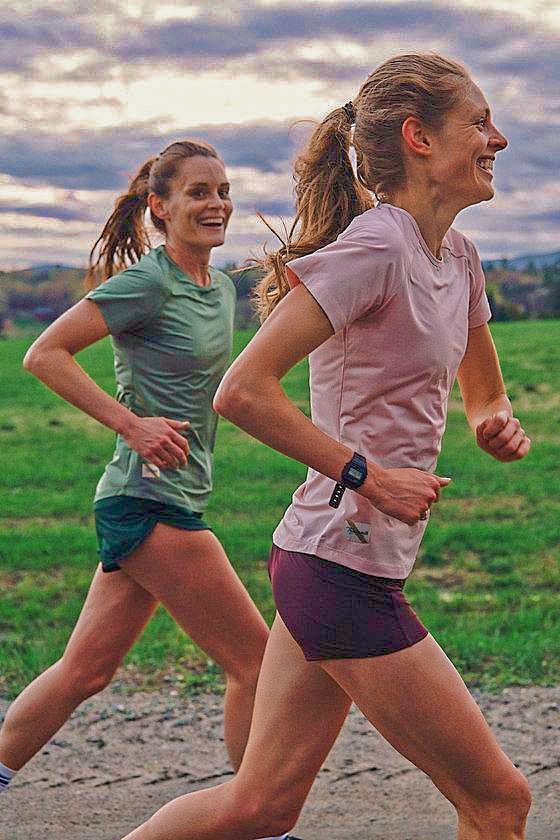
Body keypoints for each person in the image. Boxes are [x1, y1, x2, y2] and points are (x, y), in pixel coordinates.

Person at [119, 54, 533, 840]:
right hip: (338, 568)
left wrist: (492, 424)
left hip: (331, 560)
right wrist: (371, 477)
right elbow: (243, 390)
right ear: (419, 138)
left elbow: (485, 393)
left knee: (258, 805)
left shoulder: (460, 257)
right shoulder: (374, 248)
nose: (499, 139)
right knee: (499, 800)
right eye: (479, 123)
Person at [0, 139, 300, 840]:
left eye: (223, 191)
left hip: (173, 496)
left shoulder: (220, 287)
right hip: (147, 499)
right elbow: (43, 354)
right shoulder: (149, 282)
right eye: (198, 192)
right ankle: (255, 823)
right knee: (255, 664)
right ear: (160, 208)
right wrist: (130, 423)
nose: (216, 204)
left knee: (85, 671)